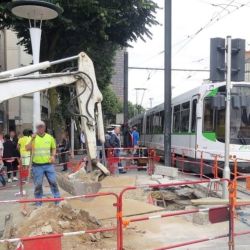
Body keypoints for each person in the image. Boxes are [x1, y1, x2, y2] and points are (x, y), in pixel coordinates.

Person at [26, 121, 60, 206]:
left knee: (53, 182)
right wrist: (32, 139)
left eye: (42, 127)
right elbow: (27, 148)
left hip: (48, 165)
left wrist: (53, 156)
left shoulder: (50, 137)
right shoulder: (33, 138)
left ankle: (57, 200)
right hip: (37, 166)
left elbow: (54, 148)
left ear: (44, 128)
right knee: (38, 185)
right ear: (36, 128)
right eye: (38, 127)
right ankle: (38, 203)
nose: (40, 128)